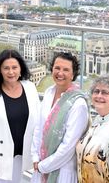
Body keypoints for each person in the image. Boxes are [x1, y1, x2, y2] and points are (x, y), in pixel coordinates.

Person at [0, 49, 40, 183]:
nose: (11, 72)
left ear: (21, 69)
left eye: (14, 67)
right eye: (6, 68)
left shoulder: (30, 88)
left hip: (25, 158)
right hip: (1, 160)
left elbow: (38, 124)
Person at [31, 52, 89, 183]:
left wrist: (43, 166)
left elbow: (69, 147)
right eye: (57, 68)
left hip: (62, 172)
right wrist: (35, 157)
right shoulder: (48, 93)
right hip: (40, 165)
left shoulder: (78, 104)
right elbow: (38, 128)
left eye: (66, 69)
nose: (60, 73)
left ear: (73, 75)